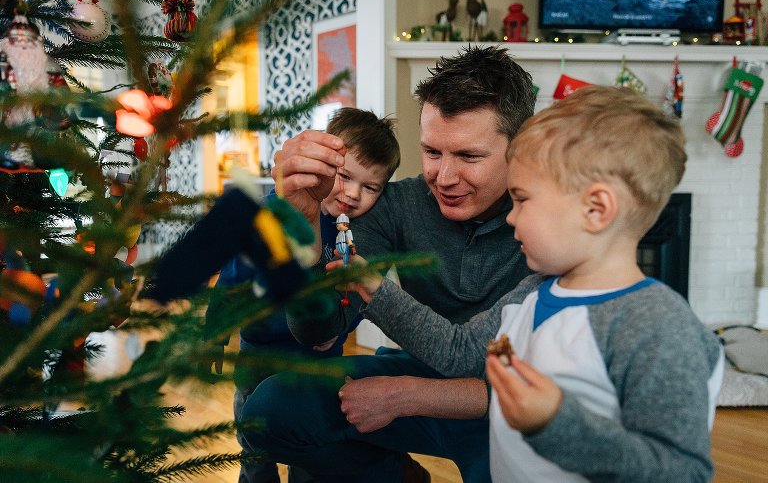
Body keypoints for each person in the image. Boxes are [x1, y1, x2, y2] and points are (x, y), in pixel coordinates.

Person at [344, 86, 725, 482]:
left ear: (596, 209)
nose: (510, 217)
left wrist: (554, 423)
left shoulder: (659, 328)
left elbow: (683, 472)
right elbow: (459, 352)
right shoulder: (533, 293)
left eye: (523, 200)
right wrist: (374, 289)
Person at [239, 45, 536, 482]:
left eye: (469, 157)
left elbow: (559, 388)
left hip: (514, 398)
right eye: (432, 152)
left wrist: (408, 395)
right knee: (270, 409)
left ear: (521, 147)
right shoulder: (396, 205)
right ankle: (397, 474)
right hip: (423, 369)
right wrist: (305, 227)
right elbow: (320, 330)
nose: (444, 178)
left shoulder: (551, 218)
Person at [207, 107, 400, 483]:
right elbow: (234, 274)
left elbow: (359, 297)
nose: (353, 194)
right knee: (256, 451)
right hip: (260, 355)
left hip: (319, 362)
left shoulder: (360, 235)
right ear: (322, 166)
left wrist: (340, 326)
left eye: (371, 187)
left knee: (309, 448)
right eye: (345, 177)